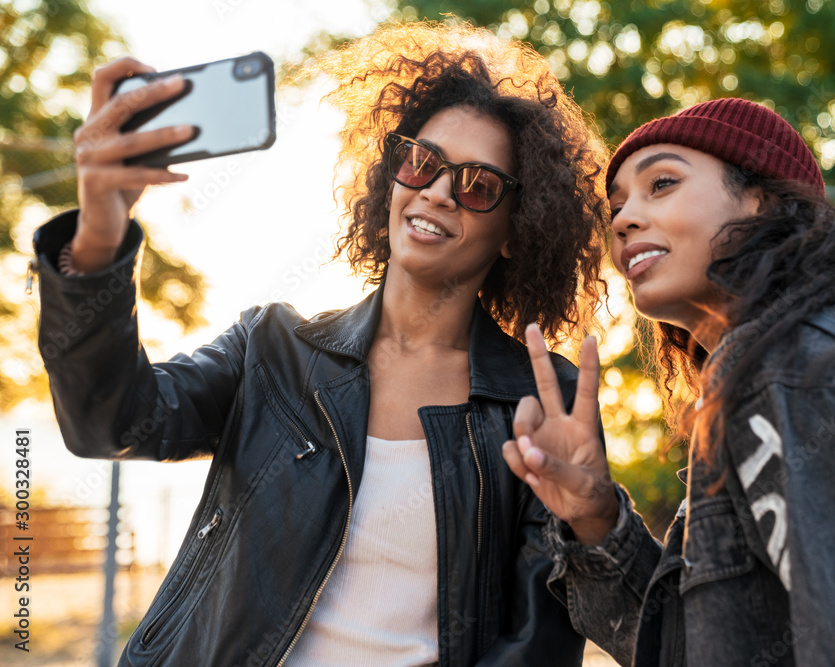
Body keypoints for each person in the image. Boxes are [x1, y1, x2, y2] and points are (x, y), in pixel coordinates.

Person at [32, 22, 609, 666]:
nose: (438, 191)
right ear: (393, 178)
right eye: (422, 161)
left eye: (477, 185)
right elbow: (108, 422)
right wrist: (98, 236)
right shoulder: (272, 351)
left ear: (513, 230)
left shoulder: (540, 398)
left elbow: (537, 641)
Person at [502, 98, 835, 666]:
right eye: (616, 207)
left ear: (762, 201)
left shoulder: (791, 376)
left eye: (661, 183)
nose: (622, 219)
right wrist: (596, 519)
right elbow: (702, 646)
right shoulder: (781, 368)